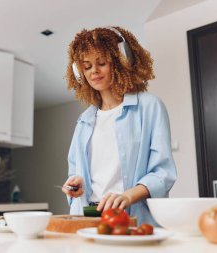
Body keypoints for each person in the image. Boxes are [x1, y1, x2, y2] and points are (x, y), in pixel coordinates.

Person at [62, 26, 177, 226]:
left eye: (102, 63)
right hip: (87, 218)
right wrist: (76, 184)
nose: (94, 71)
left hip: (132, 218)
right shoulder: (84, 120)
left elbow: (163, 173)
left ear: (121, 61)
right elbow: (75, 171)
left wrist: (128, 196)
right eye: (87, 66)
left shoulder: (149, 107)